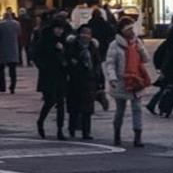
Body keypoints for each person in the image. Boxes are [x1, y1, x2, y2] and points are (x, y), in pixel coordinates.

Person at [105, 16, 152, 148]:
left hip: (137, 80)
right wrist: (112, 78)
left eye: (132, 28)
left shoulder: (136, 42)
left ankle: (138, 137)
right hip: (121, 82)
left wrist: (140, 47)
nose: (132, 31)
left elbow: (146, 59)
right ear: (122, 31)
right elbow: (110, 64)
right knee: (120, 110)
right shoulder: (114, 45)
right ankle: (117, 135)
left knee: (137, 109)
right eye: (129, 29)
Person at [33, 13, 72, 139]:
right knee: (50, 101)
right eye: (58, 28)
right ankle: (40, 121)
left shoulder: (64, 41)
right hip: (48, 75)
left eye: (61, 29)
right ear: (53, 28)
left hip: (60, 74)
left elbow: (68, 56)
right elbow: (36, 55)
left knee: (61, 102)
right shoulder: (45, 39)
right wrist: (44, 67)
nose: (60, 31)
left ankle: (60, 130)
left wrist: (64, 53)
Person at [64, 24, 103, 141]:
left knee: (88, 110)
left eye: (88, 33)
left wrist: (100, 81)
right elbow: (69, 63)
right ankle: (72, 129)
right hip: (75, 81)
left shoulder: (92, 47)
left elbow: (97, 64)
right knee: (74, 108)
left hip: (90, 82)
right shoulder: (72, 46)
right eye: (84, 33)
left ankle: (86, 132)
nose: (86, 36)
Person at [0, 7, 22, 94]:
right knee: (13, 70)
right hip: (13, 48)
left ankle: (2, 87)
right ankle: (12, 87)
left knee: (1, 69)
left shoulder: (0, 24)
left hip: (3, 49)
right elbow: (19, 35)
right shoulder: (17, 24)